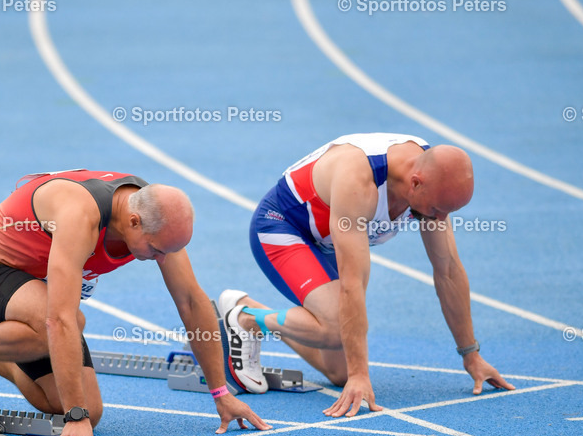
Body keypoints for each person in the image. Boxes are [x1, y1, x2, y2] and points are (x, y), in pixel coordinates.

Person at [0, 170, 270, 436]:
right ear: (133, 222)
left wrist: (220, 392)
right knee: (62, 339)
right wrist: (74, 416)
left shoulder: (158, 218)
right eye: (156, 250)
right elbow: (61, 320)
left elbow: (191, 301)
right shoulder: (80, 217)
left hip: (34, 289)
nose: (161, 258)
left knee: (89, 411)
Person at [219, 133, 514, 416]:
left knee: (339, 372)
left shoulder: (432, 187)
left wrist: (470, 354)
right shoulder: (358, 180)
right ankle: (241, 318)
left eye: (448, 212)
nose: (439, 220)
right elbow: (352, 285)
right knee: (336, 332)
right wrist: (361, 375)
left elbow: (448, 270)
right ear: (415, 183)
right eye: (437, 210)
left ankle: (255, 316)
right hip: (284, 228)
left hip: (330, 238)